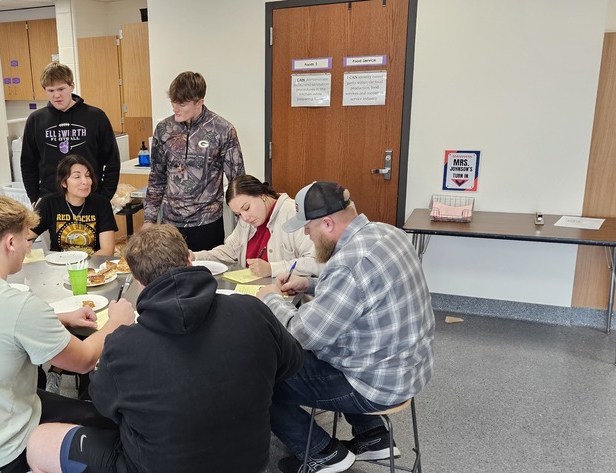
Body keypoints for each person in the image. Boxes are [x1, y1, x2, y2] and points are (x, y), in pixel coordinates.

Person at [25, 224, 304, 473]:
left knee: (38, 442)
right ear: (190, 259)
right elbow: (291, 363)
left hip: (152, 464)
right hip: (251, 462)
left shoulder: (123, 344)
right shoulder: (252, 309)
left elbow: (102, 405)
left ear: (139, 280)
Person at [0, 195, 134, 473]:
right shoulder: (19, 306)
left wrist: (58, 317)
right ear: (10, 242)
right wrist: (116, 322)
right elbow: (85, 361)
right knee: (113, 422)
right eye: (26, 240)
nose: (27, 247)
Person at [256, 181, 435, 473]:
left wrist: (272, 300)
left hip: (376, 383)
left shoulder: (349, 264)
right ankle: (373, 437)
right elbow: (364, 292)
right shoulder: (389, 233)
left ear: (327, 223)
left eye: (307, 227)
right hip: (410, 367)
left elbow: (303, 335)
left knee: (262, 379)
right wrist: (311, 283)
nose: (305, 233)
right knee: (333, 346)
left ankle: (321, 454)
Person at [143, 71, 244, 251]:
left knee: (205, 275)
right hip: (170, 224)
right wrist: (149, 219)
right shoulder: (164, 129)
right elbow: (156, 177)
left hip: (207, 223)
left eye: (182, 103)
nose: (175, 108)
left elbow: (237, 181)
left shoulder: (223, 130)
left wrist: (243, 224)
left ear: (199, 101)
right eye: (173, 102)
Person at [21, 63, 121, 204]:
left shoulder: (96, 117)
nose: (56, 96)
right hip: (49, 200)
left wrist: (104, 197)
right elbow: (28, 163)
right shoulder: (36, 120)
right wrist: (34, 198)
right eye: (51, 91)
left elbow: (112, 162)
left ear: (72, 86)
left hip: (90, 199)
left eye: (61, 89)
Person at [193, 174, 321, 277]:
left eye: (247, 208)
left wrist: (272, 269)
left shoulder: (293, 214)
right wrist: (196, 257)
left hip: (290, 298)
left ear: (262, 195)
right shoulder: (246, 221)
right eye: (238, 214)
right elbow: (230, 251)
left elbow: (317, 263)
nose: (245, 218)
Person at [29, 154, 117, 256]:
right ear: (64, 183)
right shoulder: (49, 202)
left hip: (91, 267)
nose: (85, 181)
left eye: (87, 175)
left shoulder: (102, 203)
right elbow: (26, 236)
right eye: (77, 176)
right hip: (59, 264)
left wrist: (79, 267)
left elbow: (107, 251)